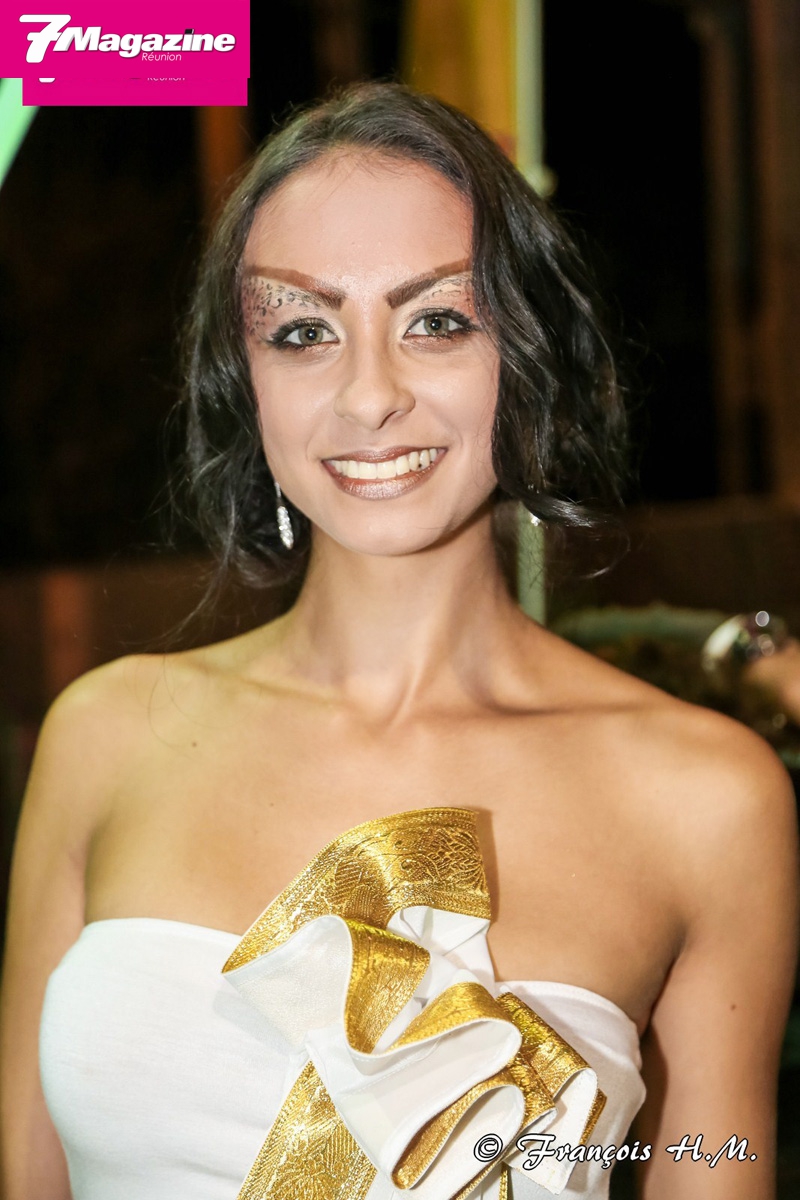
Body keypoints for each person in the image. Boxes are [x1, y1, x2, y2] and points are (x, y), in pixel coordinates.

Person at [0, 82, 797, 1200]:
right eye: (303, 331)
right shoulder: (106, 736)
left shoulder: (706, 801)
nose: (368, 395)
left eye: (435, 321)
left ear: (524, 352)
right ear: (247, 381)